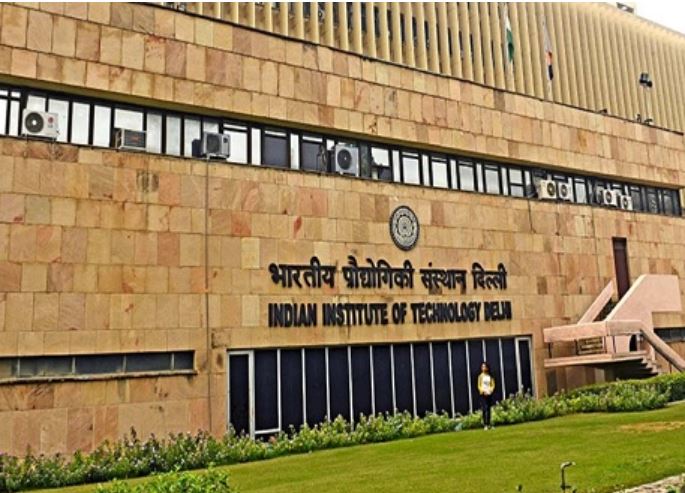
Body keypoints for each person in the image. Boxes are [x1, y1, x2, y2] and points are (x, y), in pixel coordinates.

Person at [477, 361, 495, 430]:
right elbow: (479, 385)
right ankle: (485, 424)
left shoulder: (490, 376)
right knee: (484, 409)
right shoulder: (480, 376)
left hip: (489, 393)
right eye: (482, 367)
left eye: (484, 366)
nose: (483, 368)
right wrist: (483, 391)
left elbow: (493, 385)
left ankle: (489, 423)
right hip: (483, 394)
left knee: (488, 409)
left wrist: (490, 390)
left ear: (487, 368)